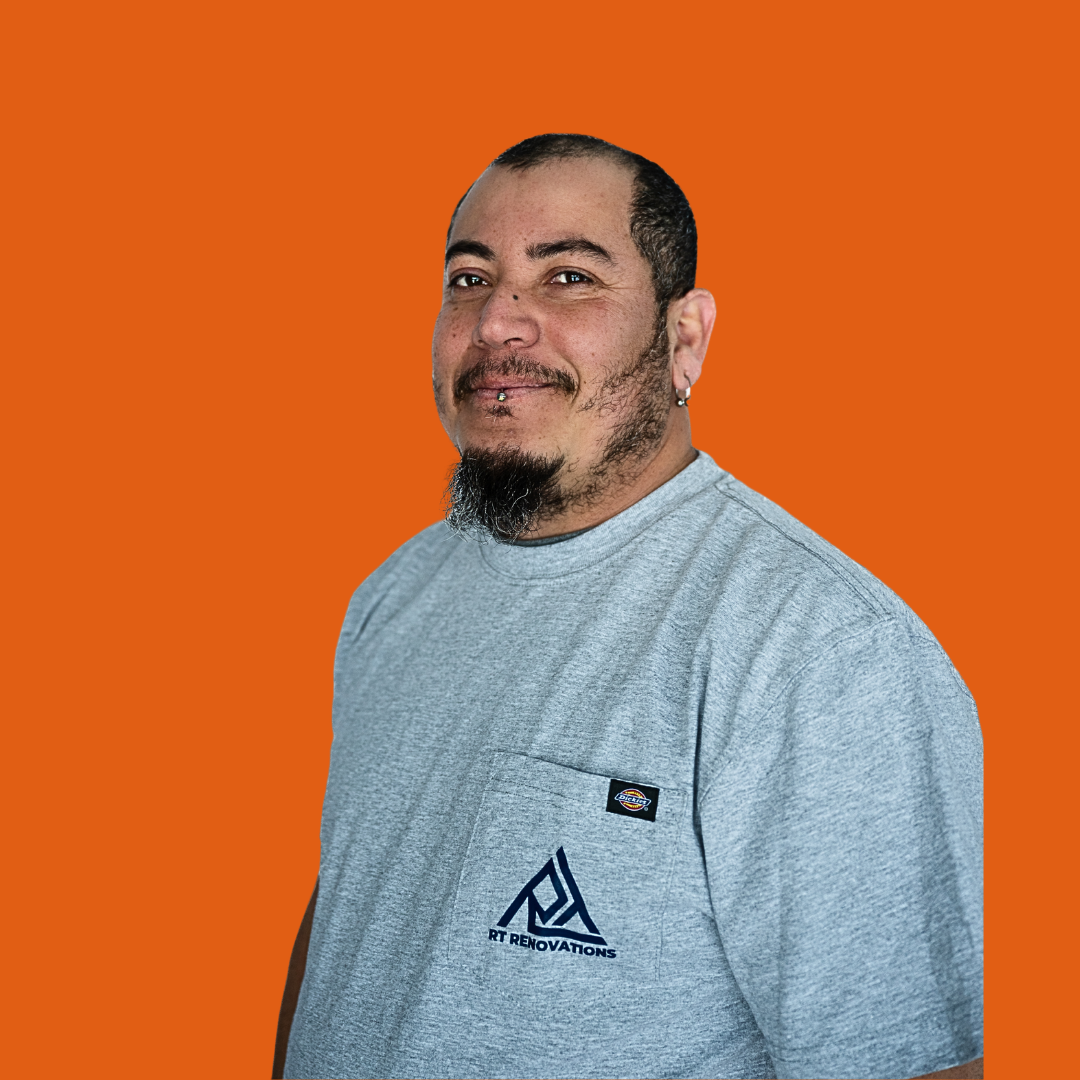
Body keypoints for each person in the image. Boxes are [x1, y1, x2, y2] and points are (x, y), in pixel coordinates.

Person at [273, 134, 983, 1080]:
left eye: (568, 276)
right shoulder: (391, 597)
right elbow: (352, 922)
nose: (498, 325)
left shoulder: (822, 655)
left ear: (684, 336)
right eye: (470, 279)